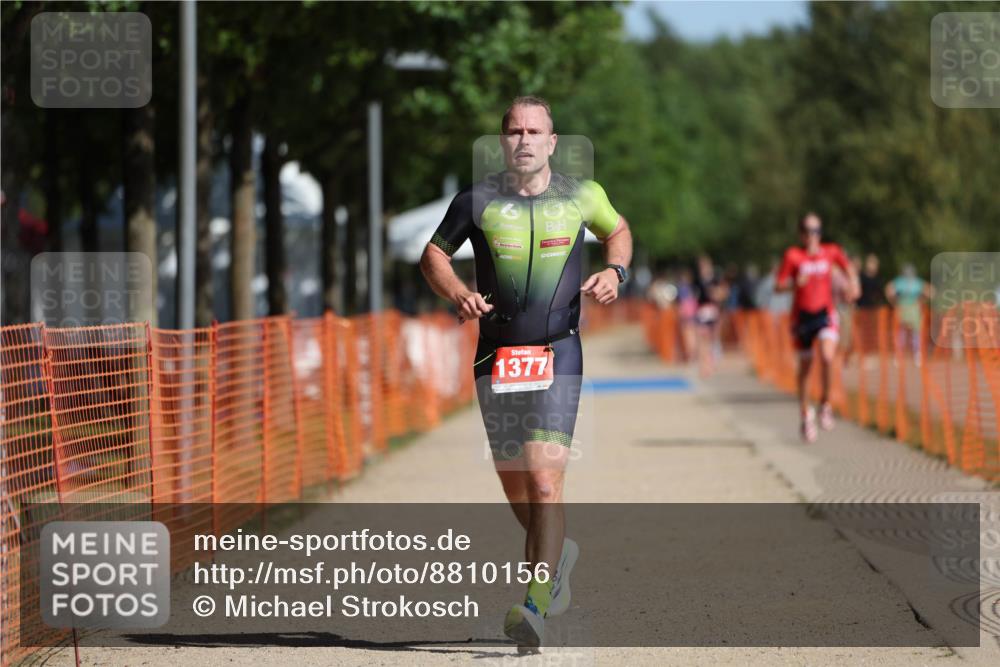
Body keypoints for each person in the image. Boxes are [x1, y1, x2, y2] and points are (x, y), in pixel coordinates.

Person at [419, 95, 633, 649]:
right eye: (514, 131)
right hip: (497, 355)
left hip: (559, 351)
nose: (524, 140)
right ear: (502, 140)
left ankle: (535, 603)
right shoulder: (477, 200)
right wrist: (459, 293)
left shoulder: (582, 195)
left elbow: (619, 231)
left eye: (535, 131)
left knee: (544, 479)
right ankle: (558, 553)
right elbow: (433, 256)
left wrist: (617, 270)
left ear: (553, 142)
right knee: (517, 483)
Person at [775, 213, 859, 442]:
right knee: (805, 368)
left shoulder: (831, 251)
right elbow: (778, 286)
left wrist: (854, 283)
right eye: (808, 230)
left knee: (827, 356)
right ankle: (805, 414)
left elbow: (848, 266)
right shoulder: (793, 256)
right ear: (800, 233)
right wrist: (793, 284)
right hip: (802, 317)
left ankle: (825, 404)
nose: (812, 236)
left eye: (817, 231)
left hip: (825, 313)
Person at [885, 263, 931, 364]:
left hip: (911, 309)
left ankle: (916, 354)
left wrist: (920, 300)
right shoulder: (901, 282)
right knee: (903, 332)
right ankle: (901, 355)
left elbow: (929, 291)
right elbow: (889, 290)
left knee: (913, 333)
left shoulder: (914, 282)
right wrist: (894, 301)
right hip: (905, 308)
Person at [692, 255, 728, 377]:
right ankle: (704, 365)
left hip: (713, 312)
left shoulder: (715, 279)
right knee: (702, 339)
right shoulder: (697, 280)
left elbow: (723, 293)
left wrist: (715, 294)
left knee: (713, 339)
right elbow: (694, 297)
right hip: (701, 312)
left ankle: (712, 362)